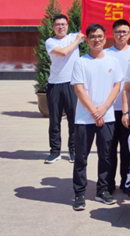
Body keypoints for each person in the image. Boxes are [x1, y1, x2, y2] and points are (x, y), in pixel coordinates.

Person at [71, 23, 123, 211]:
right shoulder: (81, 62)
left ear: (105, 38)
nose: (96, 39)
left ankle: (103, 190)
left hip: (106, 117)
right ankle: (79, 194)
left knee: (106, 156)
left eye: (100, 36)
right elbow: (79, 89)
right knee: (81, 157)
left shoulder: (113, 62)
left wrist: (104, 108)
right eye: (92, 36)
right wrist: (94, 111)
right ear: (87, 40)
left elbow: (117, 86)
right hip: (84, 118)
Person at [105, 19, 130, 195]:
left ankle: (126, 183)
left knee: (128, 149)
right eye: (118, 32)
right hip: (109, 109)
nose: (121, 35)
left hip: (129, 110)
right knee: (109, 149)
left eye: (124, 32)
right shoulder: (105, 54)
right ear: (112, 34)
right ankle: (108, 183)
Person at [44, 14, 84, 164]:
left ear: (67, 25)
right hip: (55, 84)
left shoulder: (74, 36)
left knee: (74, 120)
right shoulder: (50, 42)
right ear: (53, 27)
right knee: (54, 120)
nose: (60, 27)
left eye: (63, 24)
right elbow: (63, 52)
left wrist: (87, 4)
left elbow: (90, 26)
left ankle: (73, 150)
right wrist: (77, 41)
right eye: (57, 24)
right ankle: (55, 152)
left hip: (72, 84)